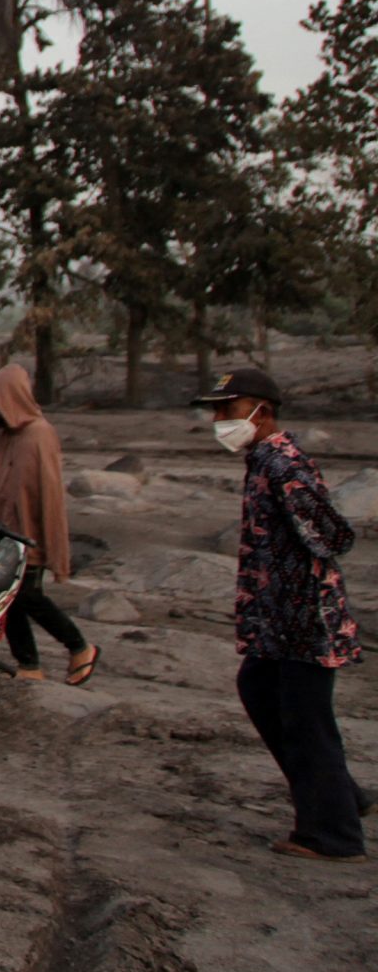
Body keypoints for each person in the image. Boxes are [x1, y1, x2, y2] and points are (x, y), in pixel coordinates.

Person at [201, 366, 365, 863]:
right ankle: (343, 799)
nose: (218, 419)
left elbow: (335, 535)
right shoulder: (262, 459)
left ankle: (333, 835)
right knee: (258, 691)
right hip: (277, 624)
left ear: (262, 411)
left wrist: (297, 581)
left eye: (226, 409)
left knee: (307, 723)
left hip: (304, 624)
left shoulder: (283, 465)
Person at [0, 364, 96, 686]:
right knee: (6, 599)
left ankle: (79, 647)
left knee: (26, 597)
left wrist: (45, 543)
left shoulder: (38, 433)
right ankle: (29, 664)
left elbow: (46, 494)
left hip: (27, 536)